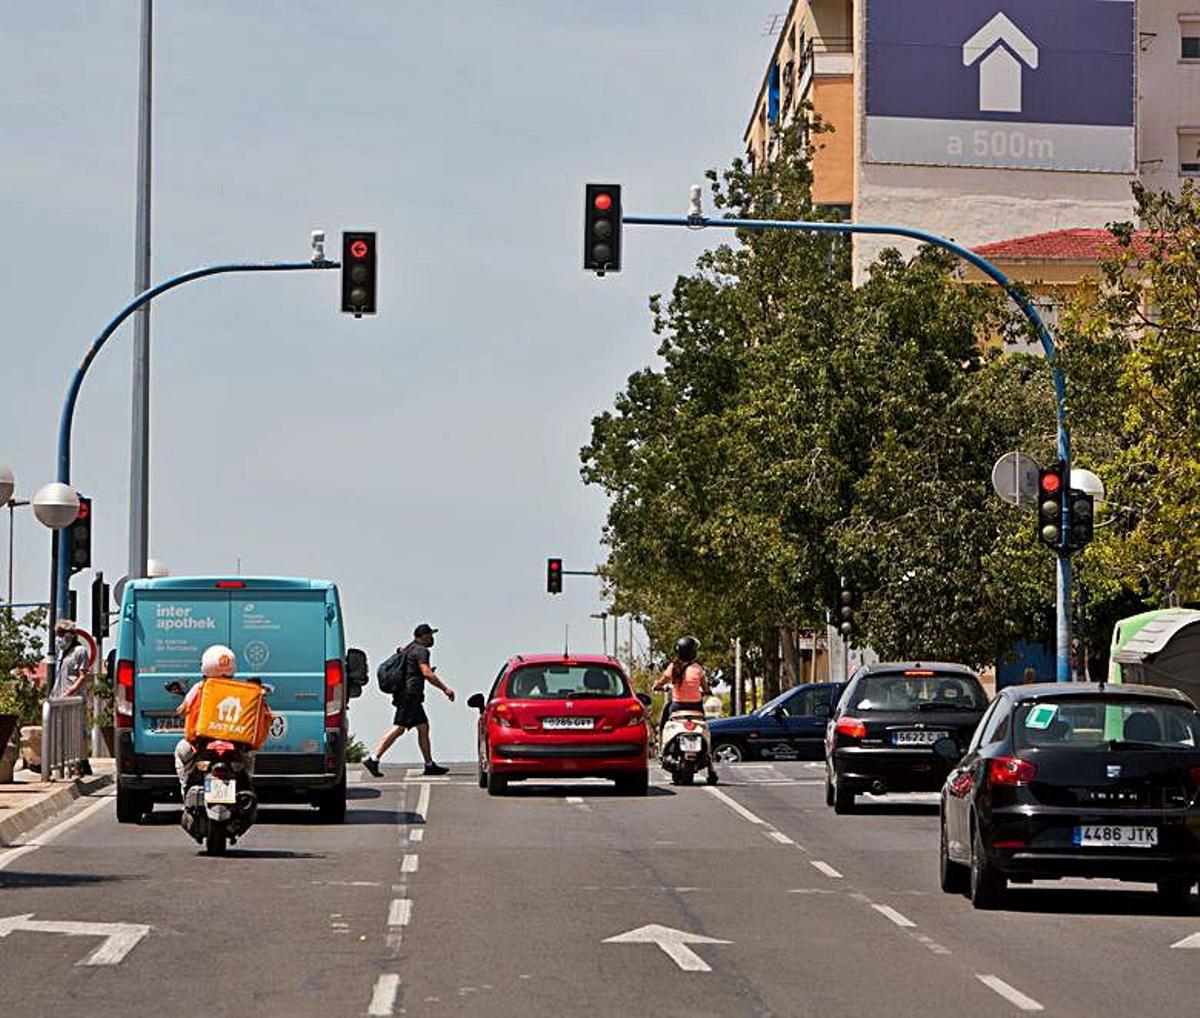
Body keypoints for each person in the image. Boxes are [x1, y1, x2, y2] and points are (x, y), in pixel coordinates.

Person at [364, 623, 455, 777]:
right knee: (399, 728)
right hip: (409, 695)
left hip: (409, 695)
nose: (432, 638)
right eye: (430, 635)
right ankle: (373, 759)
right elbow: (426, 673)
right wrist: (445, 689)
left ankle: (429, 764)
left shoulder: (409, 648)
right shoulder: (421, 651)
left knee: (423, 727)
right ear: (424, 636)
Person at [653, 635, 718, 785]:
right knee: (704, 727)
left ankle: (661, 745)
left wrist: (660, 686)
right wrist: (706, 691)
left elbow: (660, 683)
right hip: (695, 708)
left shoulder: (672, 667)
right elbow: (706, 688)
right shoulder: (698, 669)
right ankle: (711, 769)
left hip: (677, 708)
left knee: (664, 720)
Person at [52, 620, 93, 776]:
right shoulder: (63, 653)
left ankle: (80, 764)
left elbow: (83, 676)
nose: (59, 638)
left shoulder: (80, 651)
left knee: (76, 732)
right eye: (58, 634)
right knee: (61, 732)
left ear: (70, 635)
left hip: (74, 699)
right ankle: (62, 764)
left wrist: (70, 692)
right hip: (61, 698)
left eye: (61, 634)